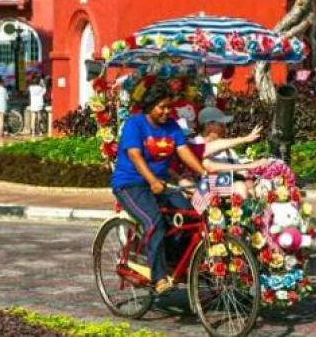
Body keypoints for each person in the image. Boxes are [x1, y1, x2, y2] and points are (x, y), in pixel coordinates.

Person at [110, 82, 210, 295]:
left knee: (190, 217)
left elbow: (183, 152)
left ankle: (175, 262)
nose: (166, 112)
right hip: (131, 184)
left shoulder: (172, 127)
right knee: (154, 223)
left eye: (168, 107)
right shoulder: (134, 125)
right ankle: (158, 277)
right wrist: (152, 180)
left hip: (162, 183)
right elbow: (135, 155)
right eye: (162, 107)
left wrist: (204, 173)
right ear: (150, 106)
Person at [191, 107, 269, 197]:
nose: (225, 127)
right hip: (207, 188)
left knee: (259, 188)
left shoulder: (228, 151)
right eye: (221, 124)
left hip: (228, 186)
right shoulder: (195, 143)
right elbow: (210, 164)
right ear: (209, 126)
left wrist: (250, 176)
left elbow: (242, 171)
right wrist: (246, 139)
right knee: (240, 187)